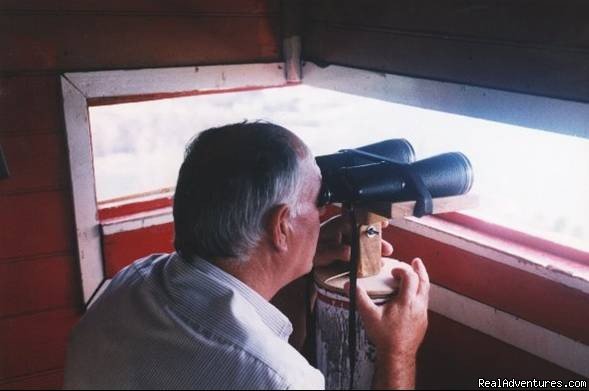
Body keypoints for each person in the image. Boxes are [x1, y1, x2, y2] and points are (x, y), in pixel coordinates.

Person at [64, 121, 429, 390]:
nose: (322, 217)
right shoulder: (282, 380)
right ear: (280, 227)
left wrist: (291, 261)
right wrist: (398, 352)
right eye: (319, 202)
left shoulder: (128, 282)